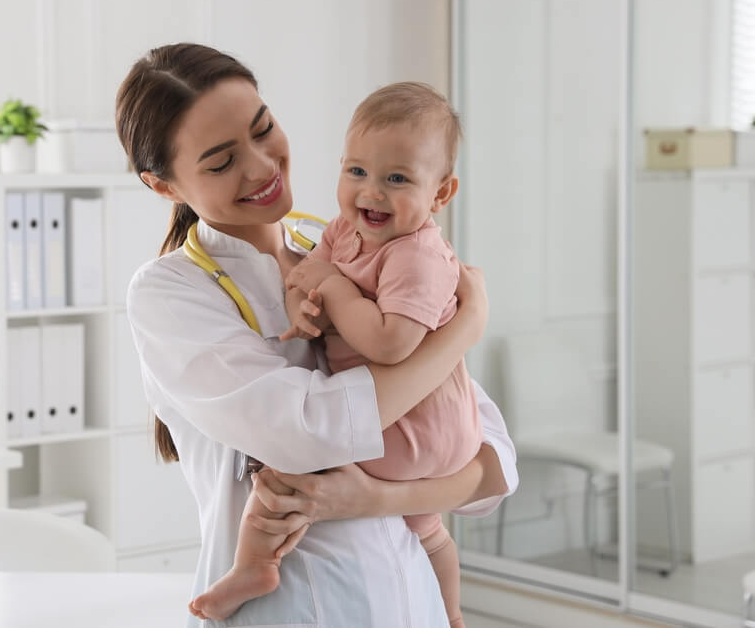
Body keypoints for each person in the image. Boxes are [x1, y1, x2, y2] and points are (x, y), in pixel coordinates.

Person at [118, 43, 518, 628]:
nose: (260, 166)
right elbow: (311, 430)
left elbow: (486, 457)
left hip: (411, 602)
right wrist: (466, 328)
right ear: (163, 186)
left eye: (263, 130)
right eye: (222, 161)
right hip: (291, 610)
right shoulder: (170, 292)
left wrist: (381, 500)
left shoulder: (356, 245)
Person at [193, 82, 479, 626]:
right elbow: (308, 278)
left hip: (420, 431)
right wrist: (304, 306)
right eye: (356, 172)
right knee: (430, 531)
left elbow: (391, 343)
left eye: (396, 179)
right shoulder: (344, 231)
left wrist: (337, 291)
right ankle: (453, 614)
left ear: (441, 193)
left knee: (287, 464)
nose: (370, 192)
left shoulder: (419, 256)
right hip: (413, 427)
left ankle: (254, 563)